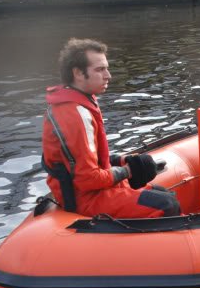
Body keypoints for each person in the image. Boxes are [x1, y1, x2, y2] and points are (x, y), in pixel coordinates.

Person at [42, 38, 179, 218]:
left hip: (94, 189)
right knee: (167, 205)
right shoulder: (74, 114)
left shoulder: (79, 101)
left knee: (164, 193)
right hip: (84, 198)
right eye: (100, 69)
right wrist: (128, 171)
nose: (108, 75)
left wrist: (123, 160)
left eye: (106, 68)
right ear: (78, 73)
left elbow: (88, 160)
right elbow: (87, 179)